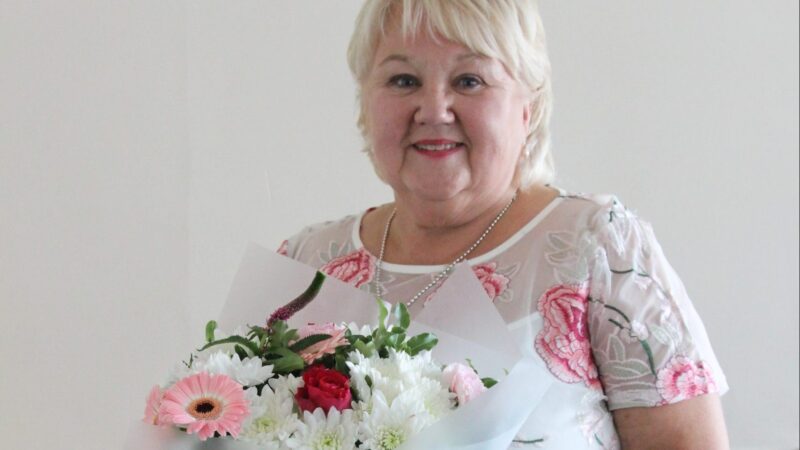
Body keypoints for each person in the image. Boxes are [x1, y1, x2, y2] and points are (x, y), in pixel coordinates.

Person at [278, 0, 729, 448]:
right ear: (364, 104)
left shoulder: (595, 247)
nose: (434, 110)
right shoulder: (307, 261)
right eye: (403, 80)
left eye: (469, 81)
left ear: (527, 109)